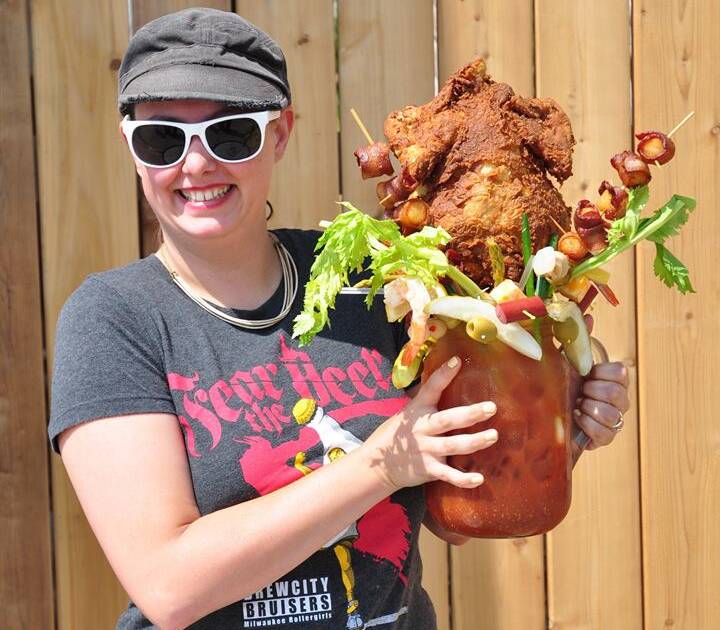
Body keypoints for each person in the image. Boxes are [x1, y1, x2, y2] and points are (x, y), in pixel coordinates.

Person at [48, 8, 630, 630]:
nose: (196, 165)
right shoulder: (114, 319)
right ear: (131, 147)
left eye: (232, 135)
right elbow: (169, 587)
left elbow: (452, 510)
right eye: (162, 138)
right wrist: (378, 467)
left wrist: (559, 430)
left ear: (281, 134)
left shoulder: (379, 277)